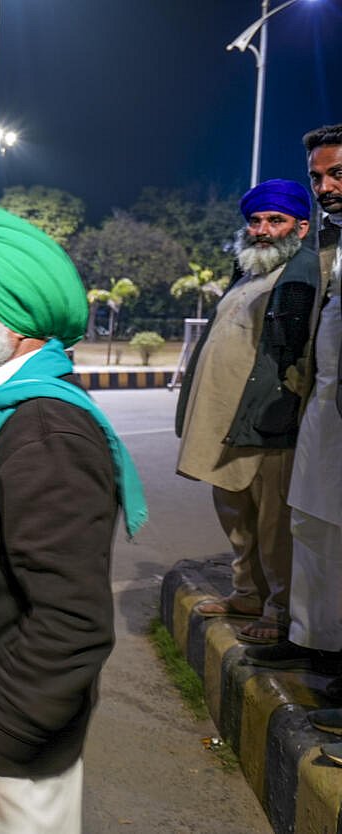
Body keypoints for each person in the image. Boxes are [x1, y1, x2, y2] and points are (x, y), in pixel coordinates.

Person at [0, 205, 146, 834]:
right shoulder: (6, 415)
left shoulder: (44, 432)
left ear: (19, 319)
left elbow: (72, 621)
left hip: (6, 753)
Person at [175, 178, 318, 645]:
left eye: (275, 220)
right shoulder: (249, 275)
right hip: (225, 420)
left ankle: (279, 610)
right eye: (255, 221)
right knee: (235, 510)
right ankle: (246, 593)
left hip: (269, 419)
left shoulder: (304, 276)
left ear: (300, 226)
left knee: (273, 522)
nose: (262, 229)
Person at [247, 126, 342, 679]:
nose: (325, 187)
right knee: (312, 524)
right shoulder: (328, 246)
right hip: (324, 404)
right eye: (318, 177)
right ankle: (314, 641)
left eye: (337, 174)